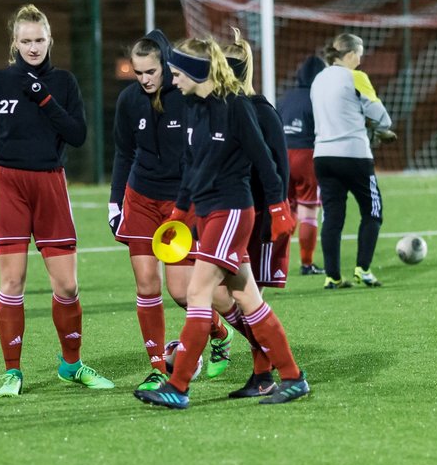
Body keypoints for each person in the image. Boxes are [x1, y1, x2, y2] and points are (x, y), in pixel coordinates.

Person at [133, 36, 309, 409]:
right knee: (248, 299)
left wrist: (279, 208)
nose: (173, 80)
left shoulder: (237, 108)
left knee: (198, 292)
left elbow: (265, 161)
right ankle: (292, 378)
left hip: (231, 210)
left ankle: (178, 386)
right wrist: (181, 212)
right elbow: (195, 167)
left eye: (178, 73)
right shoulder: (195, 108)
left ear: (197, 72)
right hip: (209, 211)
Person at [0, 3, 114, 396]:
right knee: (12, 280)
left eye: (39, 40)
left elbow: (77, 135)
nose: (33, 47)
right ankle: (12, 372)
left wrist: (44, 98)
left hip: (50, 183)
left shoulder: (65, 83)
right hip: (7, 183)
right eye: (26, 41)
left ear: (50, 40)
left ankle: (71, 366)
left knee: (68, 286)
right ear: (15, 42)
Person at [109, 30, 234, 391]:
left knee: (181, 292)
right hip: (141, 199)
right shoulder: (129, 101)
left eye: (151, 71)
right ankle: (157, 368)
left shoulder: (187, 100)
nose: (145, 79)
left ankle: (221, 333)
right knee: (147, 286)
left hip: (182, 203)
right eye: (138, 73)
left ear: (165, 66)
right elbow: (124, 152)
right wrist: (115, 201)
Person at [219, 30, 294, 399]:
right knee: (222, 294)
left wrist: (277, 211)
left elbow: (278, 166)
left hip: (261, 215)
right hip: (233, 212)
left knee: (251, 297)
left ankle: (265, 373)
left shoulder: (260, 110)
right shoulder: (227, 109)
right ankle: (269, 360)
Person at [310, 32, 397, 289]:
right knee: (373, 212)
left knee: (332, 217)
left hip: (323, 156)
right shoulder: (356, 77)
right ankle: (363, 269)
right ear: (349, 54)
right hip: (354, 155)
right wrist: (380, 128)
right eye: (359, 53)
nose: (361, 58)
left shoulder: (318, 80)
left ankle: (333, 276)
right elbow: (382, 117)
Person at [278, 54, 327, 275]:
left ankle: (277, 263)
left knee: (285, 210)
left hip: (281, 157)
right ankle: (307, 263)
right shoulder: (318, 97)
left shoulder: (284, 98)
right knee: (308, 211)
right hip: (306, 155)